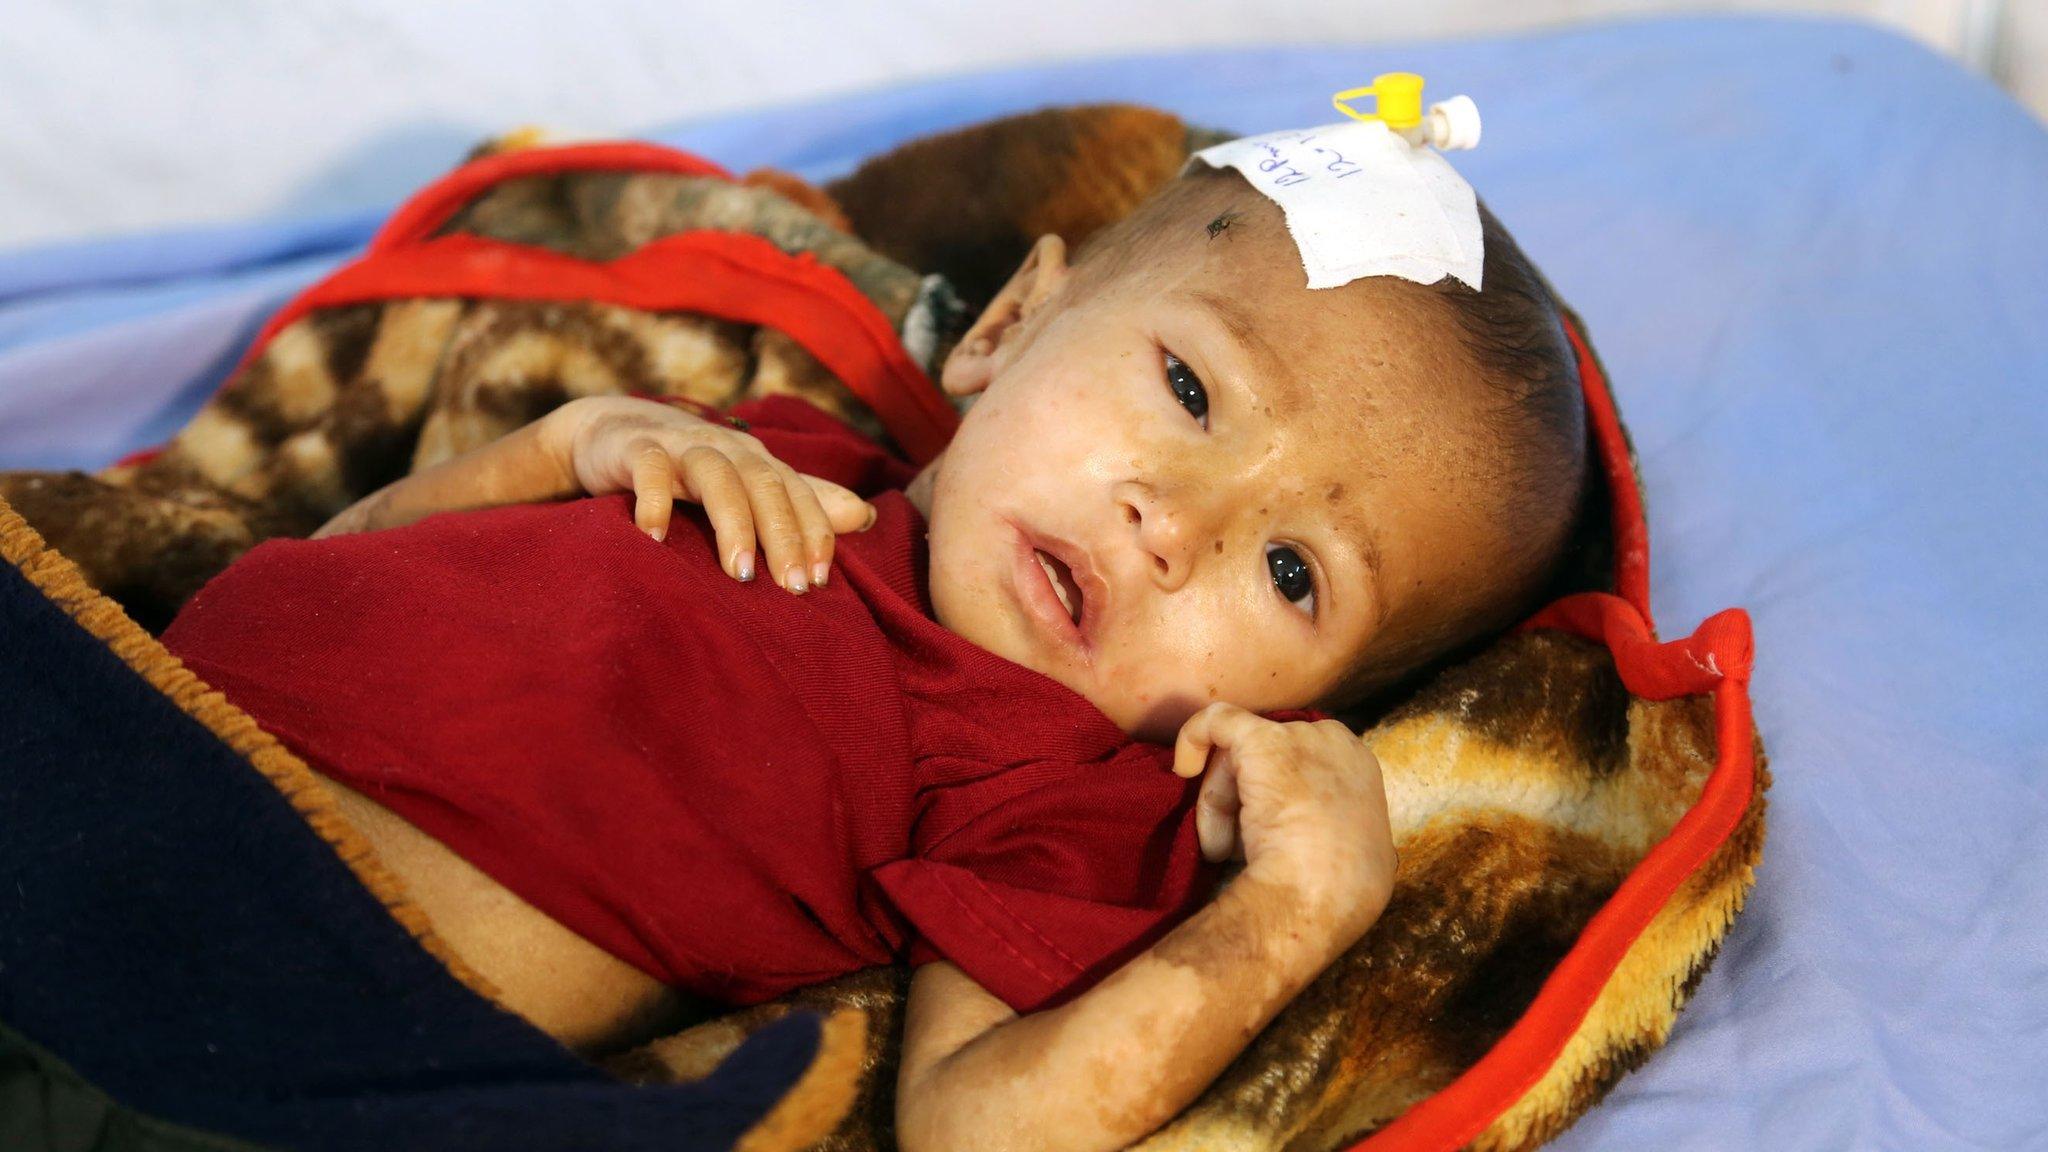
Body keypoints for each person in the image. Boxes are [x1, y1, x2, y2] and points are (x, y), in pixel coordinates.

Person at [161, 162, 1589, 1152]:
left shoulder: (1062, 792)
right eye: (1190, 386)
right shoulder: (768, 454)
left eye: (1292, 574)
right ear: (1011, 324)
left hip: (249, 1006)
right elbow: (335, 561)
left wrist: (1298, 902)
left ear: (1317, 705)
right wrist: (567, 442)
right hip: (119, 715)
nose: (1177, 523)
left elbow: (981, 1127)